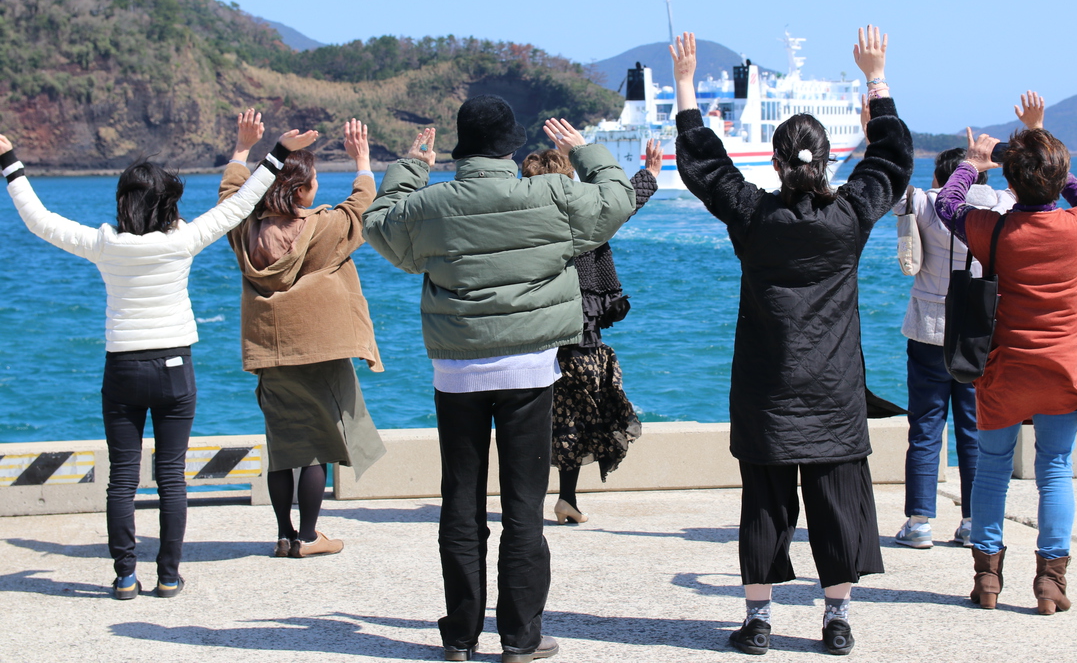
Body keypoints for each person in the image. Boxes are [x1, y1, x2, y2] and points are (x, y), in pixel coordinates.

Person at [361, 96, 635, 663]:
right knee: (523, 508)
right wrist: (583, 150)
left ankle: (460, 637)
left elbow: (378, 225)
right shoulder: (551, 194)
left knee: (460, 504)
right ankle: (520, 638)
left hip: (456, 371)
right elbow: (617, 200)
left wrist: (411, 168)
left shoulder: (432, 204)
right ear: (511, 146)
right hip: (530, 370)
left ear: (460, 148)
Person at [0, 111, 315, 599]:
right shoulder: (182, 241)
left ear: (123, 202)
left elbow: (39, 220)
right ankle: (169, 575)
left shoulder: (104, 244)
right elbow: (240, 205)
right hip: (174, 369)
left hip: (123, 369)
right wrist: (274, 152)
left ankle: (125, 576)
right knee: (171, 477)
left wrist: (10, 163)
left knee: (122, 479)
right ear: (167, 203)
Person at [672, 28, 913, 656]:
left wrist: (685, 87)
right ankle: (837, 620)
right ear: (827, 160)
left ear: (777, 164)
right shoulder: (850, 216)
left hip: (767, 391)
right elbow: (892, 161)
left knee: (764, 505)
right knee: (837, 503)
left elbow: (706, 167)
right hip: (834, 391)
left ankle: (758, 621)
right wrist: (876, 80)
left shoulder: (754, 216)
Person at [934, 90, 1077, 615]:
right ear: (1057, 177)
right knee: (1055, 469)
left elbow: (947, 204)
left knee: (991, 468)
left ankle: (987, 579)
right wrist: (1041, 143)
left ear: (1010, 183)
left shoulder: (997, 230)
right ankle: (1050, 583)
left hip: (1005, 369)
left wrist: (972, 163)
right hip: (1063, 368)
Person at [221, 117, 386, 559]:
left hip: (271, 352)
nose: (317, 187)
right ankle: (309, 537)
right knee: (317, 446)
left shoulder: (245, 229)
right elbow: (361, 208)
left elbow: (230, 198)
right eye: (312, 182)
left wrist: (242, 149)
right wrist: (362, 161)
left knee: (283, 447)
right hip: (321, 350)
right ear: (300, 191)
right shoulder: (321, 229)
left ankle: (284, 534)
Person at [520, 140, 661, 524]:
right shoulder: (583, 218)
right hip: (580, 335)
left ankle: (534, 503)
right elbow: (621, 205)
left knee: (535, 422)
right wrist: (649, 175)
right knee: (576, 419)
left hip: (533, 334)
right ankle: (566, 498)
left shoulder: (521, 222)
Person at [892, 145, 1014, 550]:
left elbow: (892, 186)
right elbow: (1028, 188)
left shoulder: (926, 203)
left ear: (941, 177)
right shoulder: (1000, 206)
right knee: (974, 429)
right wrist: (997, 154)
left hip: (928, 331)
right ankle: (972, 521)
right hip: (978, 333)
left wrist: (876, 136)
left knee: (926, 427)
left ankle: (919, 522)